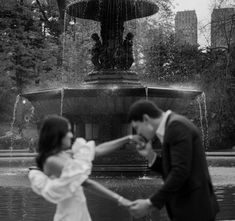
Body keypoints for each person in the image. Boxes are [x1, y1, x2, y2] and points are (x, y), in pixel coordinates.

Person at [127, 99, 219, 221]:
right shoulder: (172, 126)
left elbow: (180, 172)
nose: (138, 133)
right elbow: (173, 169)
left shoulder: (176, 127)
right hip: (191, 209)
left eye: (137, 127)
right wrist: (150, 156)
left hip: (194, 210)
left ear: (146, 119)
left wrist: (150, 203)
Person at [28, 115, 133, 221]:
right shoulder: (52, 161)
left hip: (79, 213)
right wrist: (121, 199)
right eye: (68, 131)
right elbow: (87, 183)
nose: (71, 135)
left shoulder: (65, 155)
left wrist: (128, 138)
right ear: (58, 134)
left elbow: (98, 150)